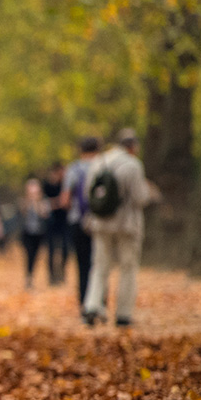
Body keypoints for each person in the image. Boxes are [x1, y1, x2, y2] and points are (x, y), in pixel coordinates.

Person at [81, 128, 152, 327]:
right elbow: (140, 197)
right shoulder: (133, 165)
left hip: (101, 223)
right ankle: (123, 314)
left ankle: (92, 305)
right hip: (127, 225)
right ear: (133, 146)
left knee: (99, 266)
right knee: (127, 268)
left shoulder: (99, 161)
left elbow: (89, 193)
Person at [60, 136, 101, 307]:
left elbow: (65, 200)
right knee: (100, 265)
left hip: (78, 221)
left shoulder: (74, 169)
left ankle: (85, 304)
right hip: (101, 222)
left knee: (82, 264)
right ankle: (99, 302)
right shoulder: (104, 167)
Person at [17, 177, 50, 289]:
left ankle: (31, 275)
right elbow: (21, 213)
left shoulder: (43, 201)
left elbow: (44, 214)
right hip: (27, 233)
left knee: (35, 255)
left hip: (39, 233)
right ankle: (28, 277)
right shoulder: (24, 201)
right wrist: (29, 201)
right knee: (29, 254)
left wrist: (36, 202)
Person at [42, 162, 69, 285]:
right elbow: (44, 204)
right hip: (51, 222)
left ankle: (61, 273)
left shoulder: (65, 185)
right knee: (51, 251)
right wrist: (59, 202)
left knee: (65, 249)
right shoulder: (46, 186)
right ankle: (52, 277)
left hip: (64, 222)